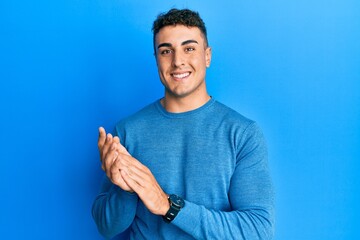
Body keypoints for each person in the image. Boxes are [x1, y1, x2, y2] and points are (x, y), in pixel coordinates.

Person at [92, 8, 275, 239]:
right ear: (156, 59)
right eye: (166, 51)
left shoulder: (242, 133)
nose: (178, 61)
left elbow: (258, 231)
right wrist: (126, 190)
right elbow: (107, 228)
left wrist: (169, 206)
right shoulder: (127, 132)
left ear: (207, 56)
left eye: (189, 49)